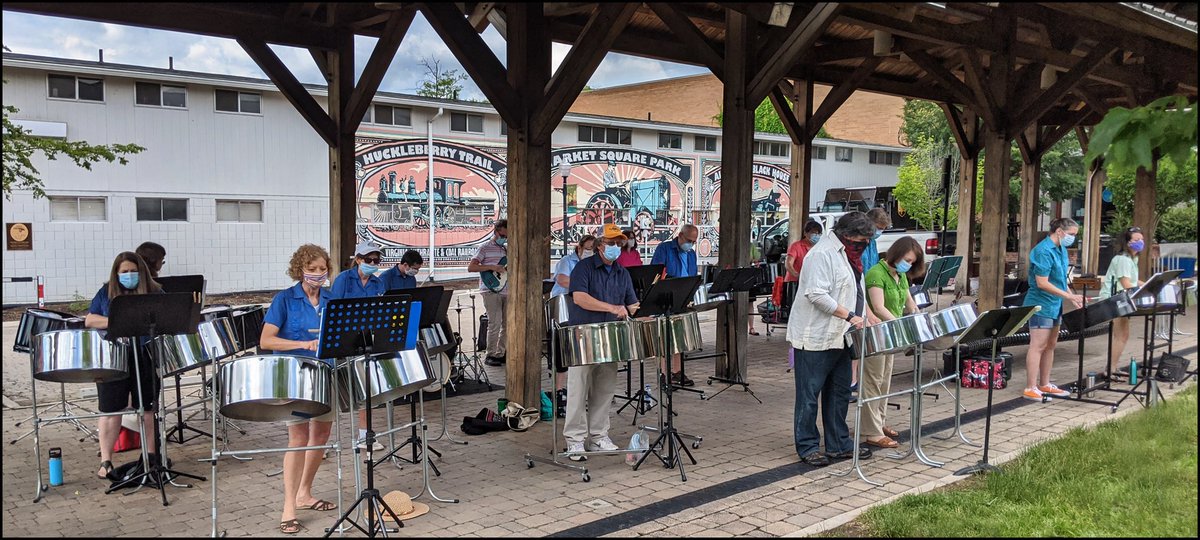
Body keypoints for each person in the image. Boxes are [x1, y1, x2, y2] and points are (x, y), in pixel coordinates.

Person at [787, 211, 876, 467]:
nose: (865, 245)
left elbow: (855, 289)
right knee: (809, 395)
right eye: (861, 240)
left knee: (839, 393)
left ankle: (838, 444)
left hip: (842, 336)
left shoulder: (849, 256)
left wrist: (862, 316)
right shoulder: (822, 254)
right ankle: (807, 446)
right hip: (815, 336)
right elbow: (815, 294)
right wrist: (850, 316)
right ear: (846, 235)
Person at [260, 244, 337, 534]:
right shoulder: (285, 299)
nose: (318, 274)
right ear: (300, 269)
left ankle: (306, 492)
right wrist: (302, 344)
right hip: (297, 374)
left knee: (321, 435)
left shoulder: (331, 298)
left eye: (322, 269)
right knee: (298, 437)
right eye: (313, 269)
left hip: (326, 372)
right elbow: (267, 340)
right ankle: (289, 506)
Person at [84, 251, 163, 481]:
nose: (129, 275)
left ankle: (150, 457)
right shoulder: (106, 292)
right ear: (116, 274)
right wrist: (118, 321)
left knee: (148, 410)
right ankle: (106, 461)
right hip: (114, 357)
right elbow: (90, 319)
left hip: (145, 355)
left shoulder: (155, 291)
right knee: (110, 410)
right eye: (124, 272)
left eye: (133, 271)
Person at [563, 224, 639, 460]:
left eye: (619, 243)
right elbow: (580, 298)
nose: (616, 246)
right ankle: (574, 440)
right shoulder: (583, 268)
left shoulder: (622, 272)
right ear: (599, 246)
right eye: (611, 242)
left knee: (605, 389)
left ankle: (598, 436)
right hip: (584, 335)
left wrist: (652, 306)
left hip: (611, 336)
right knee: (578, 389)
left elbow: (632, 304)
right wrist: (612, 307)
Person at [861, 237, 924, 449]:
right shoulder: (876, 274)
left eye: (912, 262)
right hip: (876, 334)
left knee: (885, 380)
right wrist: (900, 325)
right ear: (896, 254)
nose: (909, 264)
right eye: (907, 260)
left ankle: (879, 421)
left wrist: (917, 316)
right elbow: (878, 307)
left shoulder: (901, 275)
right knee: (872, 381)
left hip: (891, 336)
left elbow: (909, 303)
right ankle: (872, 432)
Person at [328, 241, 388, 452]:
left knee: (366, 389)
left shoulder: (378, 283)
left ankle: (365, 435)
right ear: (358, 260)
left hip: (365, 340)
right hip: (343, 339)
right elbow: (333, 309)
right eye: (369, 259)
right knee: (334, 390)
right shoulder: (344, 279)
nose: (373, 263)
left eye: (376, 260)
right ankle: (324, 441)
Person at [1022, 218, 1085, 402]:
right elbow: (1042, 282)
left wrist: (1072, 296)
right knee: (1038, 345)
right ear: (1059, 231)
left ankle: (1045, 383)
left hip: (1054, 303)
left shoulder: (1061, 250)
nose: (1073, 238)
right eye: (1071, 234)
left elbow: (1060, 280)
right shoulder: (1042, 251)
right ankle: (1030, 386)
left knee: (1051, 345)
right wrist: (1068, 296)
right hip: (1040, 303)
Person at [550, 235, 597, 412]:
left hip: (583, 310)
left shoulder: (593, 265)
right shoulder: (567, 261)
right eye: (588, 247)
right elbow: (562, 280)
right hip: (564, 307)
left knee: (582, 352)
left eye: (593, 248)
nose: (590, 251)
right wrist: (584, 284)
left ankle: (582, 392)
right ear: (580, 247)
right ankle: (558, 392)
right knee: (562, 352)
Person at [649, 223, 699, 386]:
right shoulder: (664, 249)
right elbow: (656, 273)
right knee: (665, 337)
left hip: (683, 297)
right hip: (666, 296)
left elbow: (692, 273)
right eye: (689, 240)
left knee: (680, 335)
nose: (691, 244)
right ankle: (664, 374)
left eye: (694, 241)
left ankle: (677, 371)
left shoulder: (691, 254)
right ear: (681, 236)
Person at [1099, 226, 1146, 376]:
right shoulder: (1123, 260)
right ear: (1127, 242)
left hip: (1122, 298)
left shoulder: (1133, 259)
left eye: (1141, 240)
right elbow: (1126, 283)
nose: (1140, 242)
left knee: (1123, 335)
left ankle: (1113, 367)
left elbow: (1133, 280)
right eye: (1136, 240)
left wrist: (1147, 285)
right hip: (1115, 299)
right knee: (1121, 335)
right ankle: (1110, 369)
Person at [854, 208, 891, 392]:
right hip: (858, 293)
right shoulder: (860, 242)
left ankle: (860, 378)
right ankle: (853, 381)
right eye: (878, 228)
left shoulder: (872, 244)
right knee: (856, 339)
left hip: (868, 290)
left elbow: (873, 266)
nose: (879, 232)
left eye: (882, 229)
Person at [468, 220, 509, 366]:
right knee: (495, 323)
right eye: (502, 235)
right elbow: (472, 267)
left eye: (506, 236)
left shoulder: (506, 250)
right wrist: (492, 267)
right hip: (490, 290)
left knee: (507, 324)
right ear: (496, 232)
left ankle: (501, 352)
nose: (504, 238)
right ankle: (490, 354)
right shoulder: (484, 248)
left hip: (506, 290)